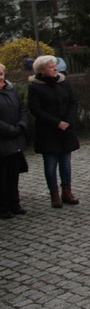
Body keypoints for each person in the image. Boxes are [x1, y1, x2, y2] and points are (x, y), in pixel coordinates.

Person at [27, 55, 81, 208]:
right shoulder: (35, 87)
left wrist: (68, 121)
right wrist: (57, 123)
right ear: (42, 70)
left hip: (66, 130)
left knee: (66, 163)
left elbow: (73, 102)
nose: (55, 69)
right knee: (50, 164)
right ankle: (54, 194)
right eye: (51, 67)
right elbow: (35, 109)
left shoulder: (63, 82)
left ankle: (67, 191)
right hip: (48, 132)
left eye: (55, 66)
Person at [0, 63, 29, 219]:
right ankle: (3, 207)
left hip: (15, 141)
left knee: (14, 175)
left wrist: (21, 125)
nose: (1, 77)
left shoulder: (11, 90)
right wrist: (11, 130)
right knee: (2, 177)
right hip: (2, 142)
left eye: (2, 73)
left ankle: (15, 203)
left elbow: (22, 108)